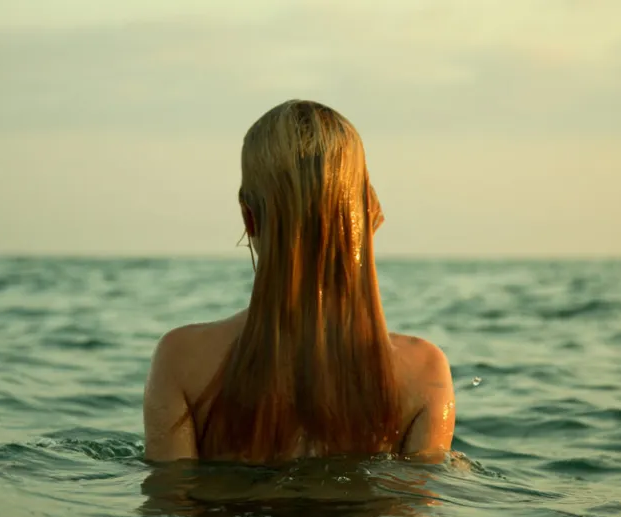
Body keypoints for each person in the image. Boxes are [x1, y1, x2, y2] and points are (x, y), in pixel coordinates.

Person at [142, 100, 455, 464]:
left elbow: (170, 510)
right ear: (366, 210)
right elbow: (416, 513)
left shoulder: (181, 361)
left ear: (249, 217)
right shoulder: (423, 373)